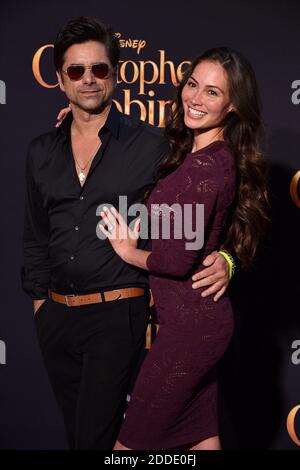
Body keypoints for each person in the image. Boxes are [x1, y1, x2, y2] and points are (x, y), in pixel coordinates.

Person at [22, 17, 232, 450]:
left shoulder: (154, 145)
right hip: (56, 317)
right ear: (60, 80)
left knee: (102, 441)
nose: (88, 80)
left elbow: (211, 203)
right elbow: (35, 234)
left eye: (99, 69)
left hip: (117, 314)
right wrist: (41, 307)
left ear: (114, 76)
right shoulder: (41, 151)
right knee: (79, 437)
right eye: (76, 71)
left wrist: (229, 259)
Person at [100, 46, 269, 450]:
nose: (195, 98)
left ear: (232, 105)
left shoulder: (205, 168)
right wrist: (83, 119)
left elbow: (176, 260)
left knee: (129, 448)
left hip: (190, 332)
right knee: (201, 439)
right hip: (197, 326)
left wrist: (127, 251)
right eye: (193, 84)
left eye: (212, 92)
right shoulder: (203, 156)